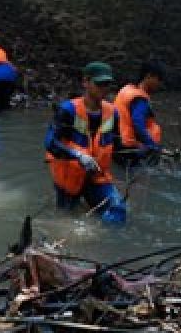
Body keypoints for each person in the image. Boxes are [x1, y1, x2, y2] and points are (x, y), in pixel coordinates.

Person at [43, 61, 126, 224]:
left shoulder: (112, 112)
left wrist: (142, 153)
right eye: (100, 84)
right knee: (66, 220)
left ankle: (106, 245)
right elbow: (50, 142)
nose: (104, 88)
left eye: (108, 84)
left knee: (118, 211)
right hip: (69, 178)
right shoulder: (67, 110)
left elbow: (117, 147)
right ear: (86, 82)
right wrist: (78, 156)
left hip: (98, 177)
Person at [112, 59, 165, 165]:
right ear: (149, 76)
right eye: (159, 79)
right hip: (129, 150)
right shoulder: (139, 99)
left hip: (116, 144)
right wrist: (152, 146)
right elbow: (138, 123)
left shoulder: (127, 89)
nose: (160, 84)